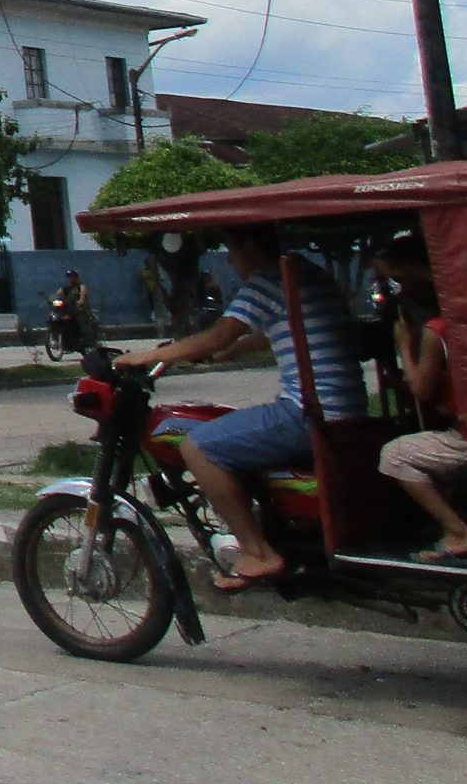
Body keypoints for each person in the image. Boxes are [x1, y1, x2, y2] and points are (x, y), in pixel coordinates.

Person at [121, 221, 364, 591]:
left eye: (232, 252)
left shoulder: (268, 279)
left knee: (198, 446)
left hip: (308, 412)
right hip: (345, 409)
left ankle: (258, 552)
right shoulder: (303, 272)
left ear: (250, 246)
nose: (232, 262)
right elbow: (270, 332)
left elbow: (217, 334)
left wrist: (151, 355)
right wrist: (230, 352)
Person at [370, 233, 467, 562]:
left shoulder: (438, 329)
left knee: (395, 455)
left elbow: (420, 388)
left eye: (399, 281)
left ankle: (459, 532)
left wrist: (404, 344)